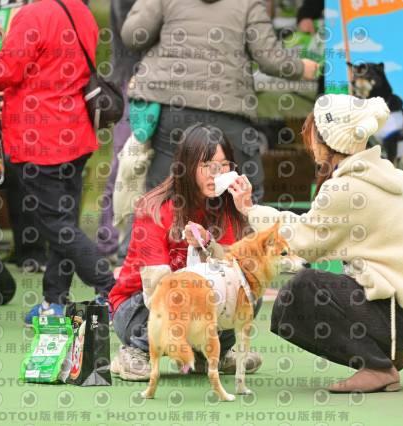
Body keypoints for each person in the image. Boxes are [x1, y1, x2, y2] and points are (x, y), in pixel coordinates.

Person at [229, 94, 403, 393]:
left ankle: (377, 367)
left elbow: (303, 242)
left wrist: (250, 211)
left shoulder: (345, 188)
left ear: (329, 139)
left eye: (313, 133)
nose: (309, 141)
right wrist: (390, 243)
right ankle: (390, 353)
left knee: (302, 289)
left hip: (402, 316)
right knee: (334, 284)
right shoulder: (384, 171)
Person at [0, 0, 115, 326]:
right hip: (75, 133)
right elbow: (43, 67)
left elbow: (6, 73)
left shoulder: (32, 14)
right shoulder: (81, 11)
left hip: (40, 138)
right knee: (63, 223)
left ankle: (111, 289)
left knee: (56, 226)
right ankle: (54, 301)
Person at [120, 0, 319, 205]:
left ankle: (162, 225)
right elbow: (269, 58)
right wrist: (300, 67)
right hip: (227, 110)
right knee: (244, 193)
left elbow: (133, 35)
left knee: (163, 194)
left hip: (170, 105)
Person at [108, 122, 264, 381]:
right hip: (138, 309)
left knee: (247, 289)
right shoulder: (154, 209)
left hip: (195, 306)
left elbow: (237, 271)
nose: (217, 174)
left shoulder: (226, 206)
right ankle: (136, 351)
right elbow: (155, 290)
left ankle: (210, 354)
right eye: (207, 166)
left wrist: (242, 214)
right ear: (186, 167)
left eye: (224, 165)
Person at [95, 0, 144, 262]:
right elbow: (134, 35)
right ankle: (109, 242)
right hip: (131, 80)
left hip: (154, 83)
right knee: (122, 163)